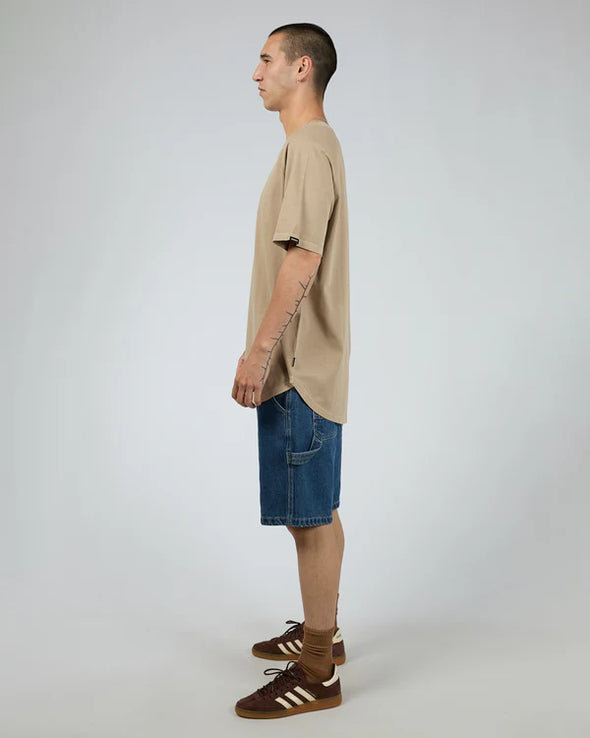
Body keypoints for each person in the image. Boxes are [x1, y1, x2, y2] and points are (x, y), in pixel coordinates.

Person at [231, 22, 350, 719]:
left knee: (309, 519)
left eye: (266, 59)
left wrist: (259, 353)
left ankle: (317, 669)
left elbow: (302, 259)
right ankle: (320, 635)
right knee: (319, 511)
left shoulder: (307, 147)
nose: (256, 73)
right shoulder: (314, 145)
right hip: (309, 362)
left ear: (302, 67)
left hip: (298, 367)